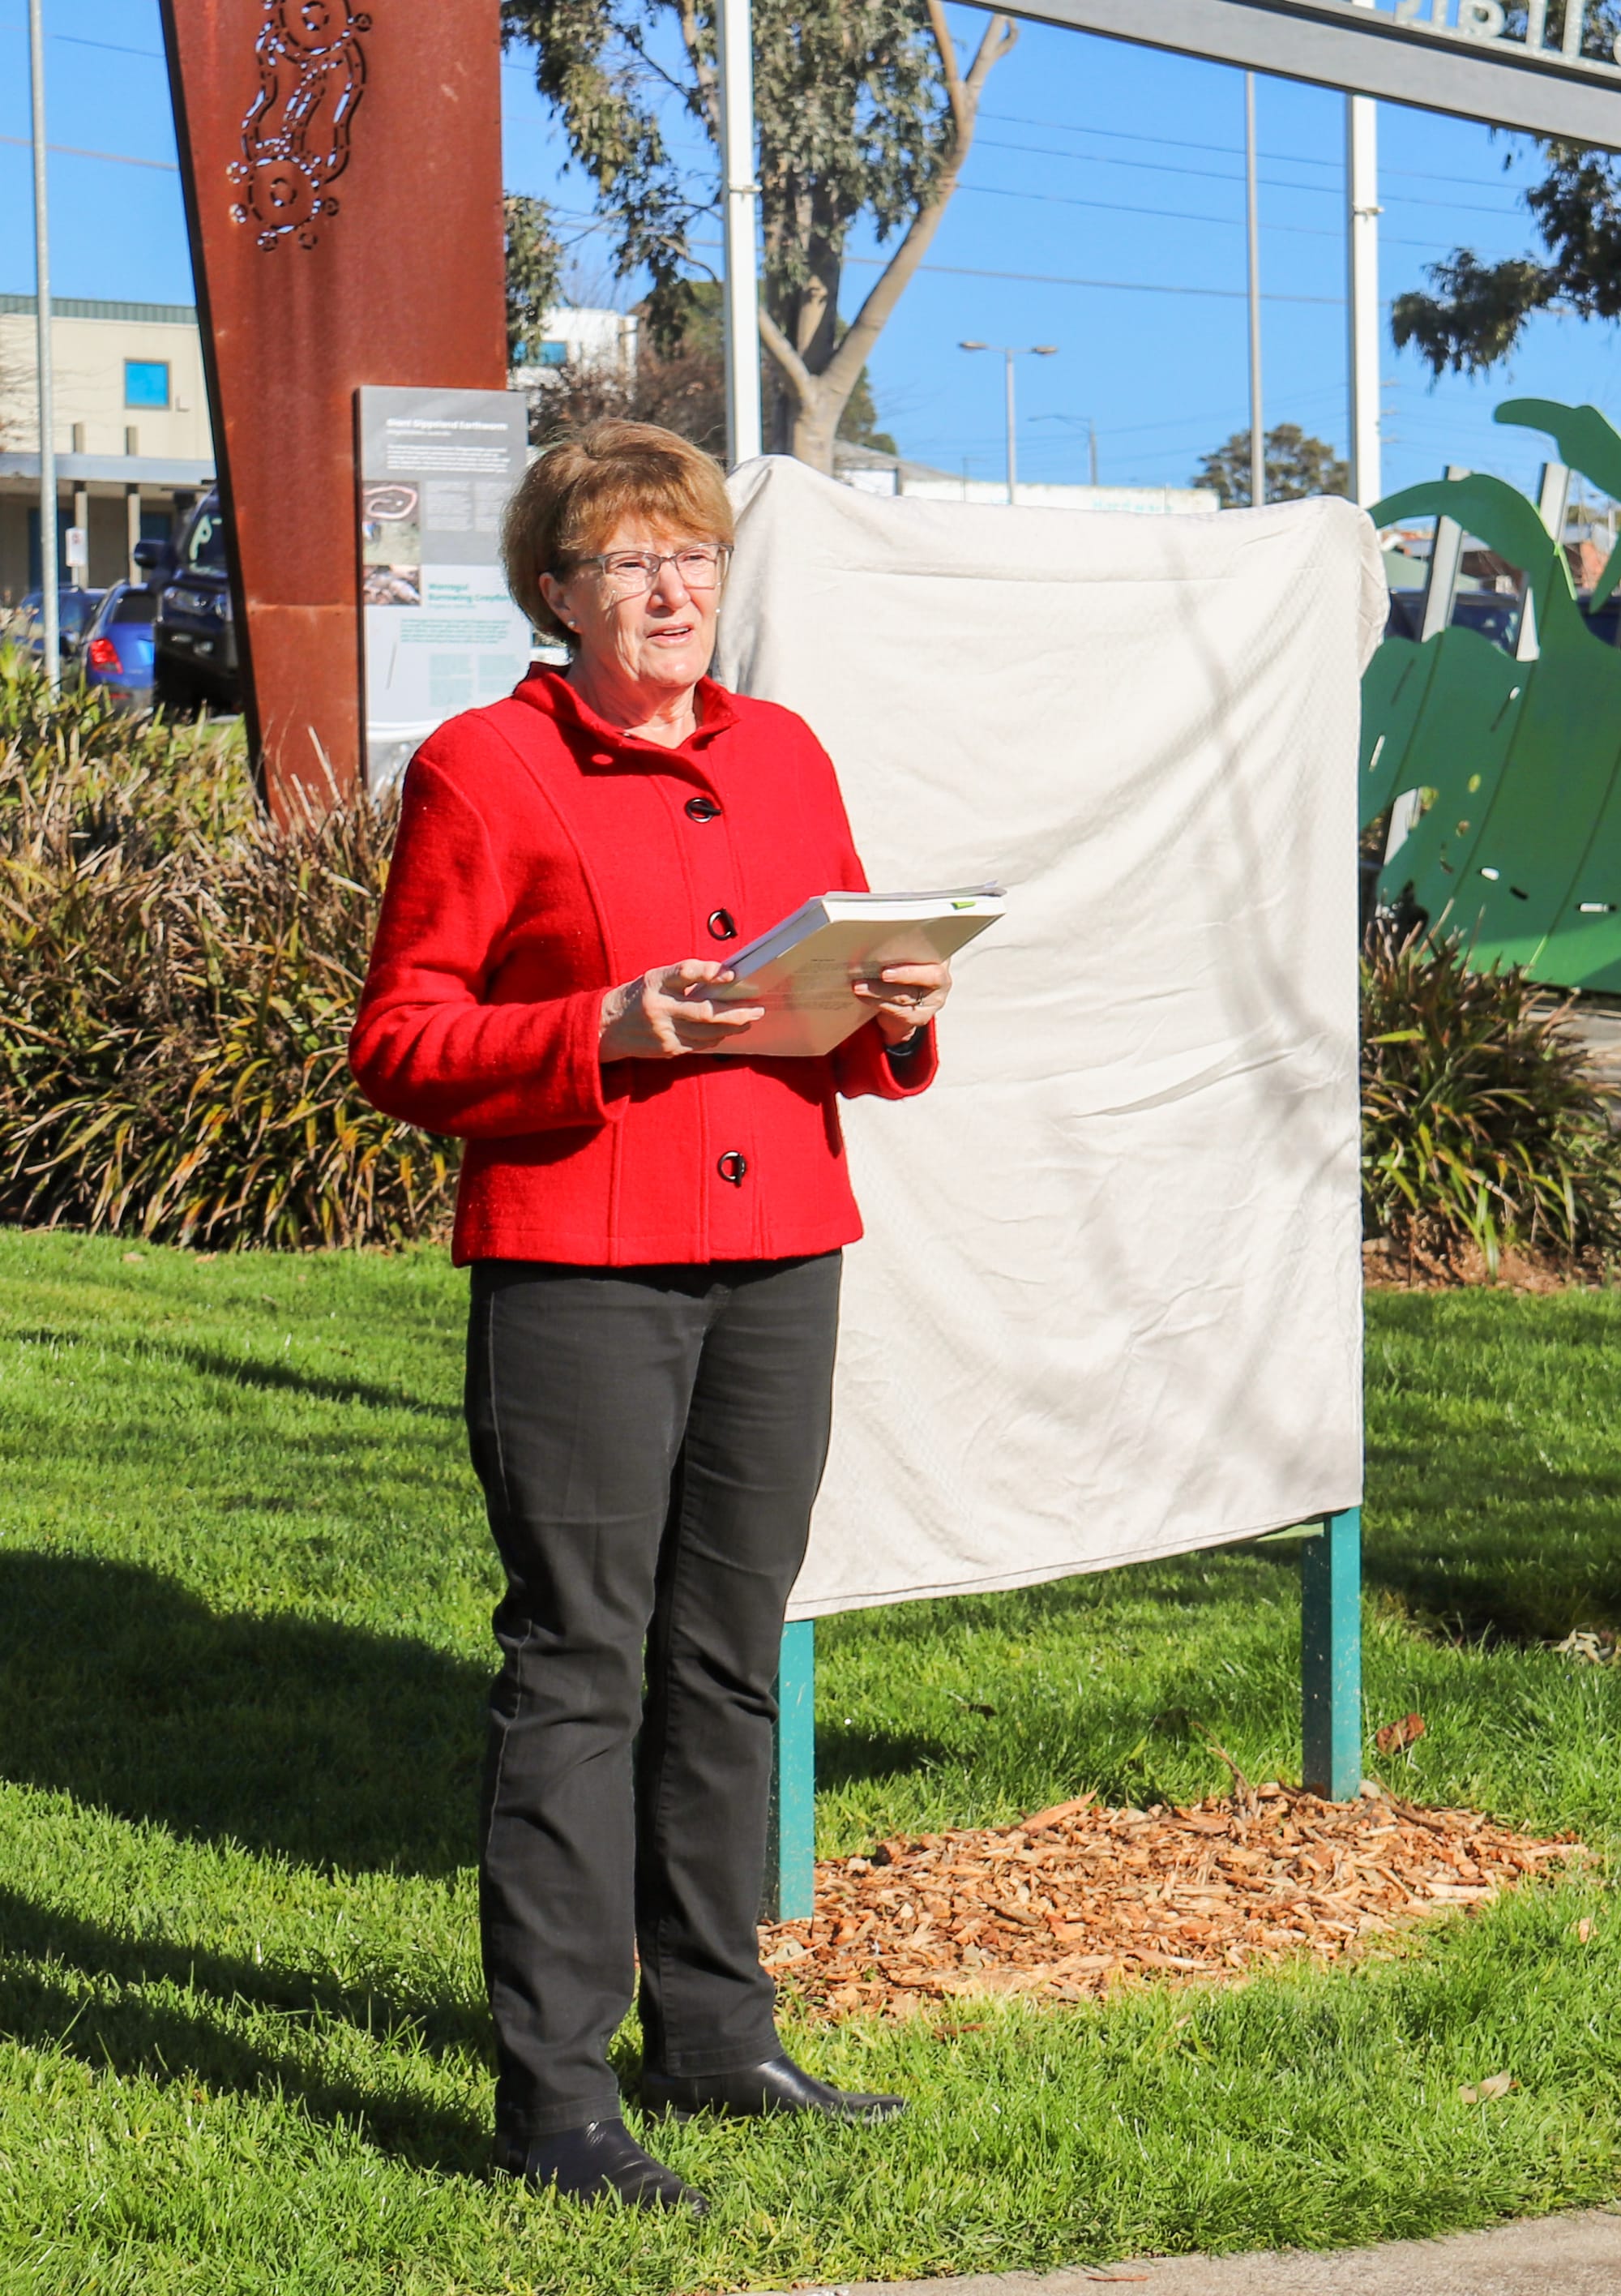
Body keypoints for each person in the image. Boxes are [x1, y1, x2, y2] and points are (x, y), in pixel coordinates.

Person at [349, 419, 952, 2217]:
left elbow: (829, 1003)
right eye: (626, 559)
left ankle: (716, 2029)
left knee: (725, 1653)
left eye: (690, 554)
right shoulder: (481, 769)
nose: (671, 585)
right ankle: (551, 2094)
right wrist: (596, 1029)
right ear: (556, 591)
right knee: (577, 1665)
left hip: (781, 1254)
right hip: (581, 1269)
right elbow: (399, 1042)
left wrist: (895, 1000)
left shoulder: (784, 754)